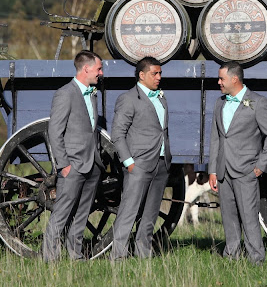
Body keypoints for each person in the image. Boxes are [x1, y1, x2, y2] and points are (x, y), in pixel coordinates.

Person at [208, 61, 267, 265]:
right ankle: (232, 257)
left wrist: (261, 166)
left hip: (246, 170)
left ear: (234, 79)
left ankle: (256, 260)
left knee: (249, 218)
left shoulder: (258, 102)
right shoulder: (219, 103)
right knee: (228, 217)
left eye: (221, 78)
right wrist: (212, 170)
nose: (219, 82)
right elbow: (216, 139)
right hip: (223, 170)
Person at [43, 50, 104, 262]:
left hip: (93, 165)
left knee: (82, 214)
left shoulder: (92, 94)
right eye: (98, 69)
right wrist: (64, 164)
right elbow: (55, 132)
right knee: (61, 213)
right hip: (73, 166)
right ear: (86, 68)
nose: (101, 73)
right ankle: (50, 259)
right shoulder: (65, 94)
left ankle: (75, 257)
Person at [110, 56, 172, 259]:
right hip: (139, 164)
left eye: (160, 73)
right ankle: (118, 257)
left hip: (161, 163)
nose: (159, 77)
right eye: (155, 73)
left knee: (150, 214)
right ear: (142, 75)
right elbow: (117, 134)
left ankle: (143, 255)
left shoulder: (161, 97)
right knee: (128, 212)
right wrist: (129, 163)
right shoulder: (128, 99)